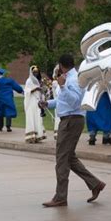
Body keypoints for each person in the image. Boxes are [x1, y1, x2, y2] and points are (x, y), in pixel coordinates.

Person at [40, 54, 105, 207]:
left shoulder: (73, 79)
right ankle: (95, 184)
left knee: (62, 159)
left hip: (71, 121)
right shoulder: (69, 78)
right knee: (69, 158)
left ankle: (60, 197)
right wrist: (47, 103)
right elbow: (63, 100)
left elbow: (75, 101)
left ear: (61, 65)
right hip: (69, 119)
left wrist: (62, 86)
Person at [24, 65, 47, 143]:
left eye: (37, 72)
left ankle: (38, 135)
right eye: (34, 72)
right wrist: (35, 89)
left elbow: (41, 91)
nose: (36, 73)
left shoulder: (39, 81)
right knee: (32, 117)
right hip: (31, 102)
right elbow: (26, 91)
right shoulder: (29, 80)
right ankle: (31, 136)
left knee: (38, 117)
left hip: (37, 102)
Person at [51, 64, 62, 140]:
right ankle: (58, 133)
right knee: (58, 117)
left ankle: (60, 133)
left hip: (62, 103)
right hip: (58, 102)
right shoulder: (55, 83)